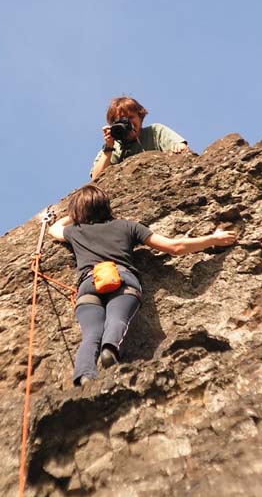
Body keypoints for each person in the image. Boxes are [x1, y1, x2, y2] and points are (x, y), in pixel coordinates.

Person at [48, 184, 237, 386]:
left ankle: (85, 375)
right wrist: (213, 239)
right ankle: (109, 348)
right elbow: (175, 247)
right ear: (106, 206)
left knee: (91, 333)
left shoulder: (76, 231)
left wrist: (73, 214)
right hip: (122, 280)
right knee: (117, 318)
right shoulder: (127, 226)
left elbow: (53, 229)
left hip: (89, 284)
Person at [90, 96, 190, 179]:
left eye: (130, 118)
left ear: (140, 117)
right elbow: (95, 179)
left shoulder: (155, 131)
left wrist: (179, 147)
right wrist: (108, 148)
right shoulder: (112, 147)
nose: (128, 124)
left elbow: (182, 148)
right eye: (121, 121)